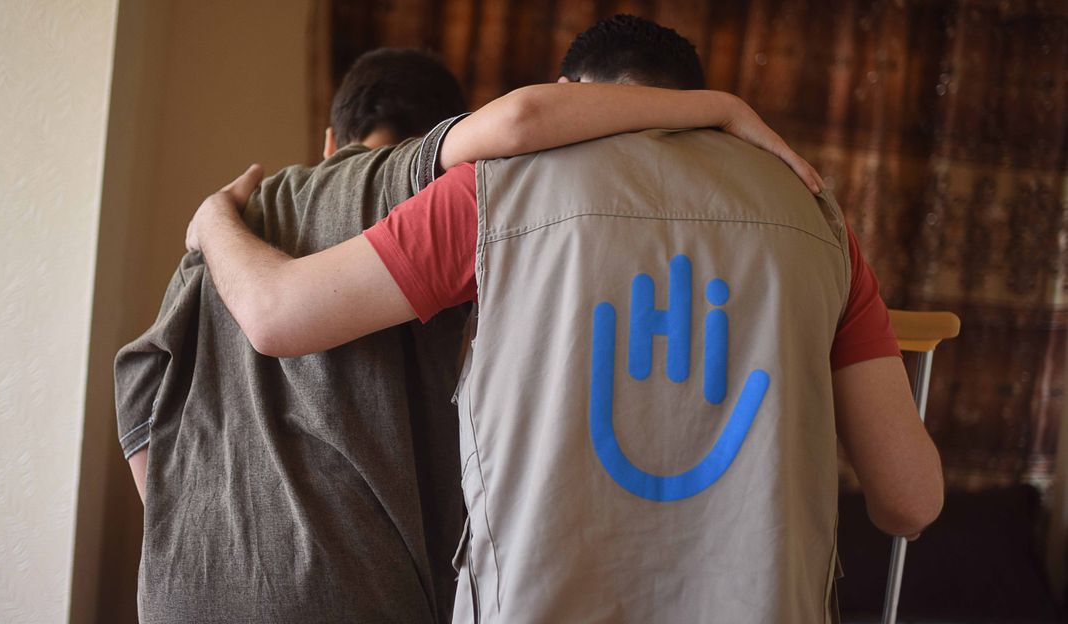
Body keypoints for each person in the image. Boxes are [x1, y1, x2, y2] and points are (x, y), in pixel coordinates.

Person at [185, 15, 945, 623]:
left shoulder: (496, 193)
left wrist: (215, 220)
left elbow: (277, 315)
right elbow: (910, 500)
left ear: (567, 92)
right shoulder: (816, 218)